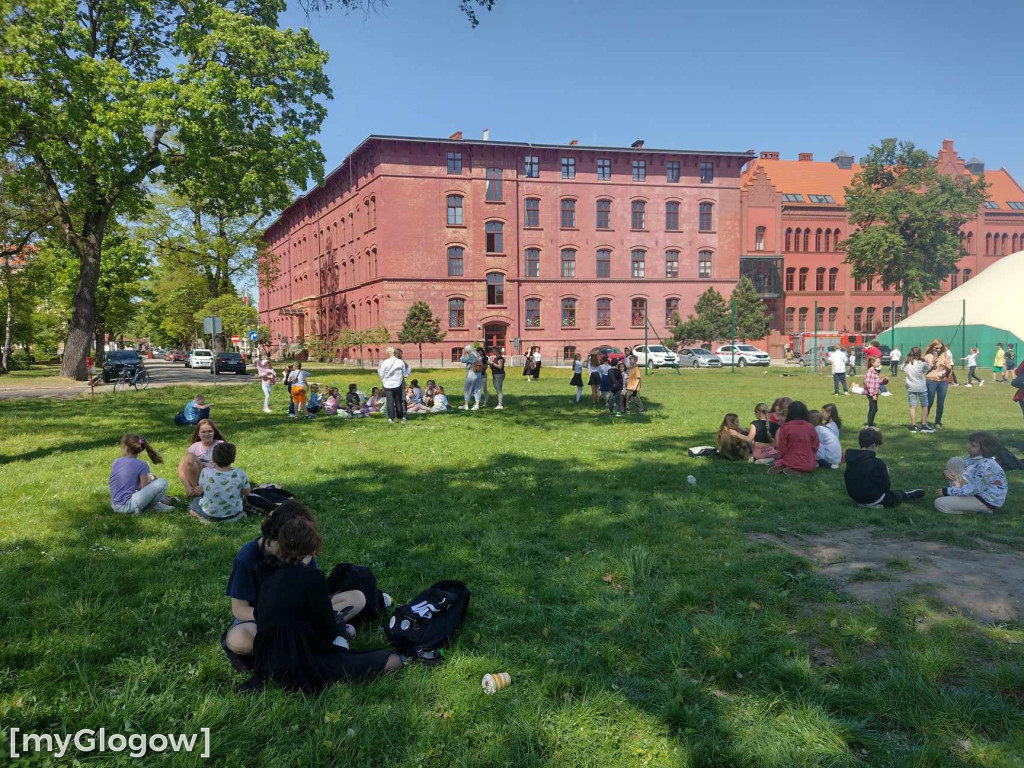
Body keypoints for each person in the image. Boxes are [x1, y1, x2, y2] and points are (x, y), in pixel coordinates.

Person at [222, 501, 394, 673]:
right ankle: (320, 639)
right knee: (238, 639)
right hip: (265, 620)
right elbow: (239, 609)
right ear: (275, 536)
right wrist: (277, 615)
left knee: (357, 598)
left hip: (302, 615)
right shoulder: (247, 558)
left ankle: (303, 643)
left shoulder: (301, 549)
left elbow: (314, 593)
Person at [247, 512, 403, 691]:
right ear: (313, 548)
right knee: (393, 660)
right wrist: (341, 630)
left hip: (268, 664)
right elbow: (326, 631)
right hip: (302, 665)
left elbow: (262, 618)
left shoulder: (268, 579)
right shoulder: (312, 578)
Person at [845, 427, 924, 508]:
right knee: (896, 495)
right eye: (878, 446)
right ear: (873, 445)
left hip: (855, 497)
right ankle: (908, 495)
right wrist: (886, 473)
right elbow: (885, 488)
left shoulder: (851, 459)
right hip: (874, 499)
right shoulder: (878, 463)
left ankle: (864, 504)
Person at [935, 432, 1008, 514]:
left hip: (983, 500)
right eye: (969, 443)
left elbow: (973, 489)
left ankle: (979, 510)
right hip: (973, 491)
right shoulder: (973, 458)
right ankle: (958, 496)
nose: (969, 446)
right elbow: (965, 472)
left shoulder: (987, 465)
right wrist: (946, 472)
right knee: (955, 461)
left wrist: (947, 491)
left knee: (939, 503)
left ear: (984, 450)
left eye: (973, 446)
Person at [109, 434, 174, 514]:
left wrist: (149, 478)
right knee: (162, 482)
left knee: (152, 481)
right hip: (127, 506)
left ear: (126, 448)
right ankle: (155, 506)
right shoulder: (142, 465)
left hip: (115, 505)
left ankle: (157, 503)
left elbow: (129, 483)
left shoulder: (116, 461)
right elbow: (143, 488)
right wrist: (151, 479)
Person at [189, 442, 249, 523]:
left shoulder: (206, 472)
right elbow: (246, 492)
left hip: (210, 513)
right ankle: (235, 518)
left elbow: (202, 487)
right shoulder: (240, 473)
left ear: (213, 459)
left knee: (193, 504)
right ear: (233, 459)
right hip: (234, 513)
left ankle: (203, 518)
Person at [177, 419, 226, 498]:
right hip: (198, 478)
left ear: (214, 432)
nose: (207, 434)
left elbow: (224, 469)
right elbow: (180, 469)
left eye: (210, 431)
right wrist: (187, 487)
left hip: (216, 479)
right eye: (203, 432)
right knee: (189, 457)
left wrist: (203, 486)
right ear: (198, 434)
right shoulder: (194, 447)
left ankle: (202, 492)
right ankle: (196, 493)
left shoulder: (221, 445)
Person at [769, 401, 818, 475]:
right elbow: (815, 446)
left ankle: (787, 466)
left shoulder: (785, 427)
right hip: (809, 462)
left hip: (791, 460)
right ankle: (799, 469)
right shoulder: (810, 427)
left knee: (780, 461)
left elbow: (782, 448)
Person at [902, 347, 934, 433]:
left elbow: (902, 369)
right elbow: (929, 368)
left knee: (913, 406)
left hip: (910, 387)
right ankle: (924, 424)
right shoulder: (922, 363)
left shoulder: (907, 363)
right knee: (924, 405)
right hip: (921, 387)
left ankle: (913, 426)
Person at [923, 339, 951, 430]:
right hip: (931, 380)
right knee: (929, 401)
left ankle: (937, 422)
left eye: (940, 348)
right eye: (936, 348)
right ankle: (924, 422)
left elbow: (949, 367)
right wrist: (933, 362)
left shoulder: (945, 355)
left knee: (941, 402)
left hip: (943, 381)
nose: (939, 350)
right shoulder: (927, 356)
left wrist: (946, 368)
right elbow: (926, 368)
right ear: (932, 347)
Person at [377, 347, 409, 424]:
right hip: (398, 383)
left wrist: (384, 380)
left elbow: (381, 374)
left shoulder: (384, 362)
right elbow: (404, 374)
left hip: (387, 384)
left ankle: (391, 418)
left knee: (390, 401)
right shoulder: (400, 362)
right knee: (398, 401)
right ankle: (401, 417)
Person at [459, 343, 483, 411]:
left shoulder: (471, 356)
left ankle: (466, 405)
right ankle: (477, 404)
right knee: (477, 389)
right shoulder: (477, 354)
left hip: (472, 373)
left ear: (467, 350)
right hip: (479, 373)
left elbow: (462, 360)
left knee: (468, 389)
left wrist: (464, 353)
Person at [863, 354, 884, 428]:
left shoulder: (875, 371)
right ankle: (870, 425)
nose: (879, 363)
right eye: (878, 362)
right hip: (871, 393)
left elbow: (877, 382)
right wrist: (873, 394)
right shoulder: (870, 372)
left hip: (874, 392)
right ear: (873, 363)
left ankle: (870, 424)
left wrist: (884, 381)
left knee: (873, 408)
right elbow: (868, 384)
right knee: (874, 409)